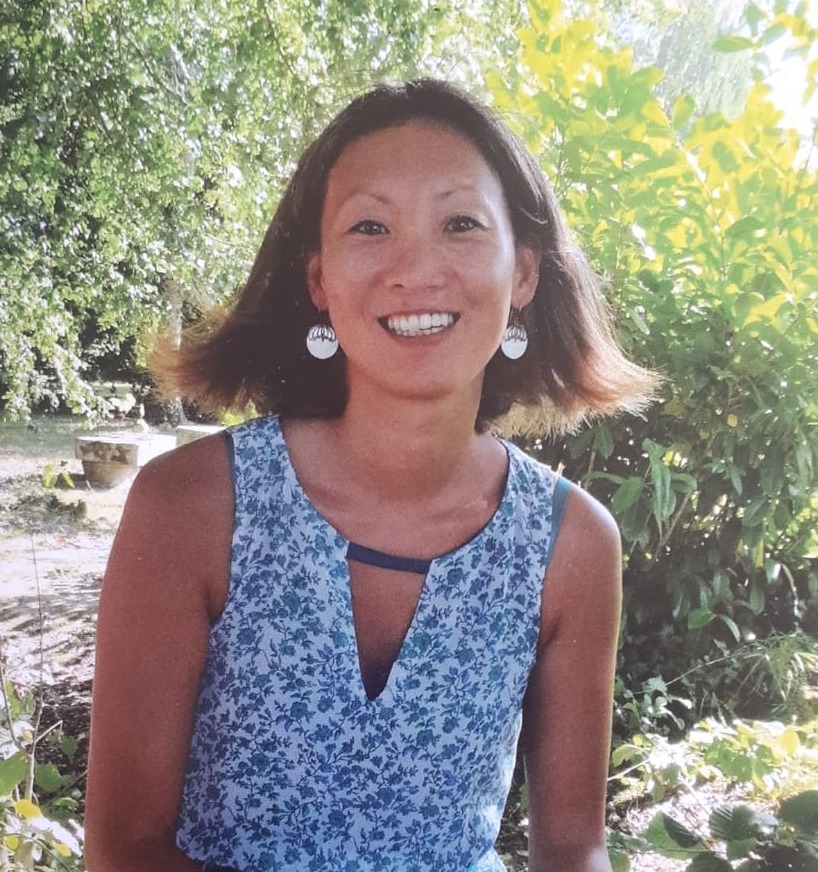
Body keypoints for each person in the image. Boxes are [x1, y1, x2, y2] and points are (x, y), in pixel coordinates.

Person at [84, 79, 657, 872]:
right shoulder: (191, 507)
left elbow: (573, 848)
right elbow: (124, 847)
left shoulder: (573, 544)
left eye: (460, 224)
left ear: (523, 274)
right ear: (319, 279)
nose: (415, 268)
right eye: (370, 226)